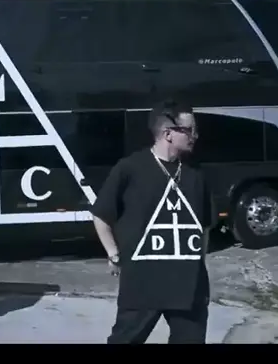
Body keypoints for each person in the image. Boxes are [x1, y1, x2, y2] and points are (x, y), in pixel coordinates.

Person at [90, 99, 214, 344]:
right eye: (189, 130)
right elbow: (101, 215)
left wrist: (197, 264)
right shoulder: (130, 169)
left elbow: (205, 225)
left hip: (188, 287)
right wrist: (114, 254)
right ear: (168, 133)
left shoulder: (195, 174)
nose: (195, 136)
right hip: (142, 283)